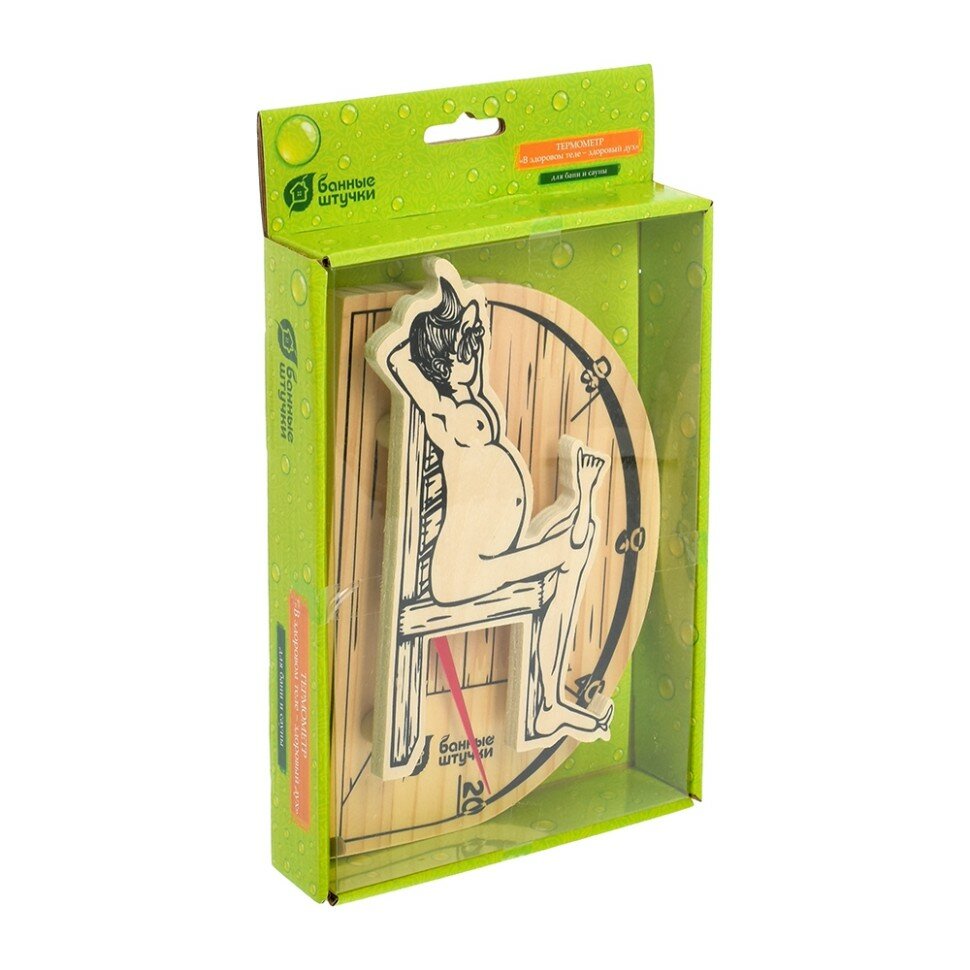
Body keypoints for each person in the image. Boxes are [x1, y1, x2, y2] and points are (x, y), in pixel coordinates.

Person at [379, 270, 612, 741]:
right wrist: (432, 325)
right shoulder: (444, 410)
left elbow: (470, 356)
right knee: (571, 549)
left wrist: (464, 307)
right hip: (466, 571)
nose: (476, 348)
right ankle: (549, 707)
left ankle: (548, 704)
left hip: (498, 554)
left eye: (476, 340)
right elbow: (393, 356)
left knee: (576, 542)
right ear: (443, 362)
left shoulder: (470, 392)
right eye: (467, 345)